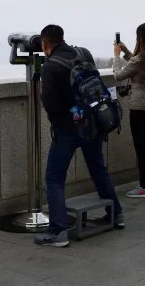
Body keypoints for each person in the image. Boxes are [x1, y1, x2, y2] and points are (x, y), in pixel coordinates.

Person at [37, 24, 123, 247]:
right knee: (98, 168)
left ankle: (58, 231)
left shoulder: (50, 66)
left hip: (68, 128)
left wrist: (60, 124)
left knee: (54, 178)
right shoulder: (83, 53)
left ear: (44, 44)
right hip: (93, 122)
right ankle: (116, 215)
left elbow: (49, 103)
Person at [113, 22, 145, 198]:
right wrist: (126, 52)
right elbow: (139, 64)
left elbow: (119, 75)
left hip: (141, 106)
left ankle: (144, 186)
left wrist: (116, 56)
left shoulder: (140, 59)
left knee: (142, 147)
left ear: (141, 38)